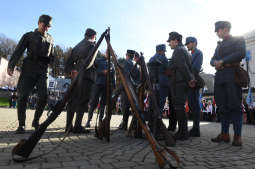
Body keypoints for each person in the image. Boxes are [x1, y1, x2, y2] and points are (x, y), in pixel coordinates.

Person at [7, 14, 54, 134]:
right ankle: (21, 124)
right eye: (44, 25)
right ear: (39, 23)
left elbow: (52, 56)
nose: (46, 28)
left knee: (43, 96)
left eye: (48, 26)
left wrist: (51, 65)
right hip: (29, 68)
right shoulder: (28, 36)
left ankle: (36, 120)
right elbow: (18, 50)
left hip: (43, 71)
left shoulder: (51, 39)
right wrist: (11, 65)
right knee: (23, 96)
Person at [210, 21, 246, 146]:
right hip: (219, 77)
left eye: (218, 30)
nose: (216, 32)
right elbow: (211, 60)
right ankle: (224, 134)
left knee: (235, 106)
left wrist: (222, 61)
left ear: (225, 29)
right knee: (222, 107)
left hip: (232, 75)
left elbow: (241, 53)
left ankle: (237, 136)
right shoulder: (219, 45)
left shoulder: (238, 39)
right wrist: (216, 63)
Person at [64, 28, 97, 133]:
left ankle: (68, 126)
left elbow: (68, 63)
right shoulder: (92, 45)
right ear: (93, 36)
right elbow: (89, 63)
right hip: (86, 76)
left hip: (75, 75)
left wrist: (72, 70)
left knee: (72, 101)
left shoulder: (77, 46)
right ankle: (77, 126)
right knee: (82, 102)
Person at [167, 32, 196, 140]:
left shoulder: (178, 50)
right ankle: (183, 131)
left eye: (170, 41)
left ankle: (183, 132)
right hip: (181, 82)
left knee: (179, 107)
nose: (169, 44)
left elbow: (182, 66)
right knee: (180, 107)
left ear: (175, 40)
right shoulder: (184, 50)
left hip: (179, 82)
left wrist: (190, 79)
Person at [85, 51, 115, 127]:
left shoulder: (111, 64)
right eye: (108, 53)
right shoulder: (98, 60)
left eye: (110, 54)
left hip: (106, 86)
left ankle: (100, 122)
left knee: (103, 104)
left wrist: (113, 86)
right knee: (93, 102)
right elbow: (93, 70)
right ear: (105, 53)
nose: (109, 55)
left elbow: (113, 76)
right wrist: (102, 72)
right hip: (98, 84)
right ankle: (89, 120)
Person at [147, 44, 169, 139]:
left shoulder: (151, 59)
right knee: (159, 107)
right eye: (164, 51)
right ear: (161, 50)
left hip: (153, 86)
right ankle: (157, 130)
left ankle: (152, 127)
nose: (164, 53)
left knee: (152, 106)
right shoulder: (164, 59)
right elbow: (168, 71)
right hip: (162, 85)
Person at [185, 36, 203, 137]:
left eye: (188, 43)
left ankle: (196, 129)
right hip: (188, 81)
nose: (187, 45)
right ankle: (195, 128)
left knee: (195, 105)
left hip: (193, 81)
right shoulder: (189, 54)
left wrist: (189, 76)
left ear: (194, 43)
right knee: (191, 105)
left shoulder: (198, 53)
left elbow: (195, 68)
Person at [118, 50, 136, 130]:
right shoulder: (135, 64)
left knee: (125, 107)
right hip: (134, 89)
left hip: (126, 88)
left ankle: (124, 124)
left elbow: (125, 76)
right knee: (131, 107)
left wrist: (120, 88)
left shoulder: (126, 62)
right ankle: (129, 124)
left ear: (127, 55)